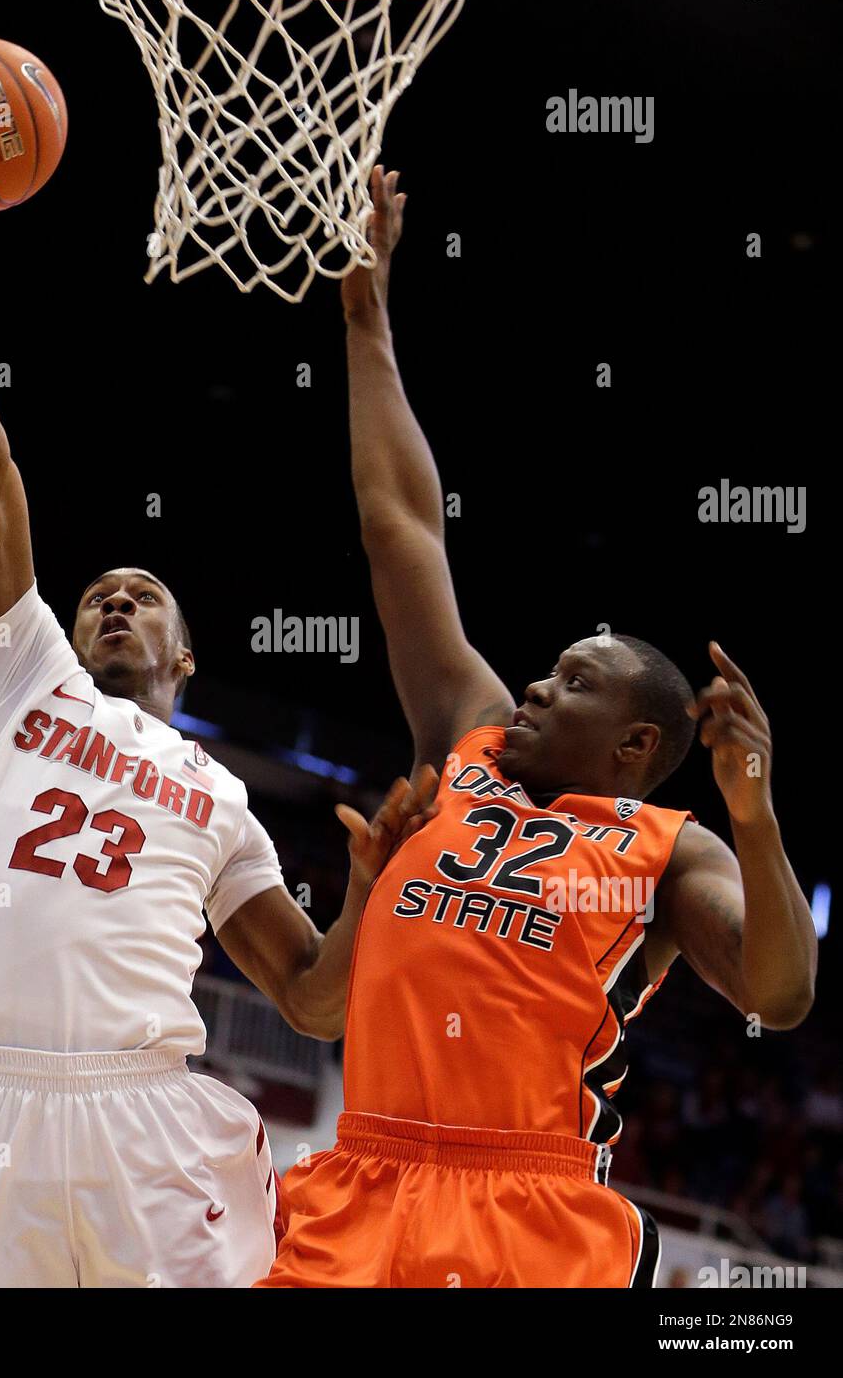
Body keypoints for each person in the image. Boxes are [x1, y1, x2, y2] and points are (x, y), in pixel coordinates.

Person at [0, 122, 436, 1289]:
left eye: (146, 597)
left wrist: (371, 898)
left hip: (145, 1118)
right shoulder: (23, 678)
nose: (117, 602)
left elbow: (315, 1004)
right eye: (98, 596)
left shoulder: (225, 798)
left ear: (187, 658)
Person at [259, 166, 818, 1289]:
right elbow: (401, 524)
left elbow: (779, 995)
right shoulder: (465, 738)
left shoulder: (668, 849)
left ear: (634, 751)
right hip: (362, 1173)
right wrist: (366, 313)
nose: (535, 686)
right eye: (548, 669)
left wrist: (755, 824)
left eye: (574, 680)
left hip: (531, 1206)